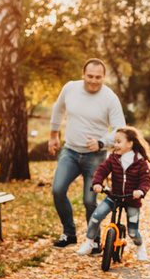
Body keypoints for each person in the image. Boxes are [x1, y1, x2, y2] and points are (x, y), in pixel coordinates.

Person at [48, 58, 126, 250]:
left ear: (104, 77)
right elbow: (58, 110)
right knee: (57, 190)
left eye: (98, 77)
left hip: (96, 156)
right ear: (83, 74)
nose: (93, 80)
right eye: (90, 76)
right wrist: (53, 136)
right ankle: (69, 233)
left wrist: (102, 143)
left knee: (90, 200)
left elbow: (120, 129)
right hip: (70, 151)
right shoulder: (70, 89)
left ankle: (95, 239)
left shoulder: (110, 98)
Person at [76, 127, 150, 261]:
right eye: (115, 142)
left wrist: (140, 191)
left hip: (131, 199)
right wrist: (97, 183)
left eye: (118, 141)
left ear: (130, 143)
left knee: (133, 232)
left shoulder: (140, 162)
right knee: (95, 217)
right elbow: (102, 170)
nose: (115, 145)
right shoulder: (113, 158)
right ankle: (89, 242)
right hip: (114, 196)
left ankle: (140, 247)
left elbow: (145, 180)